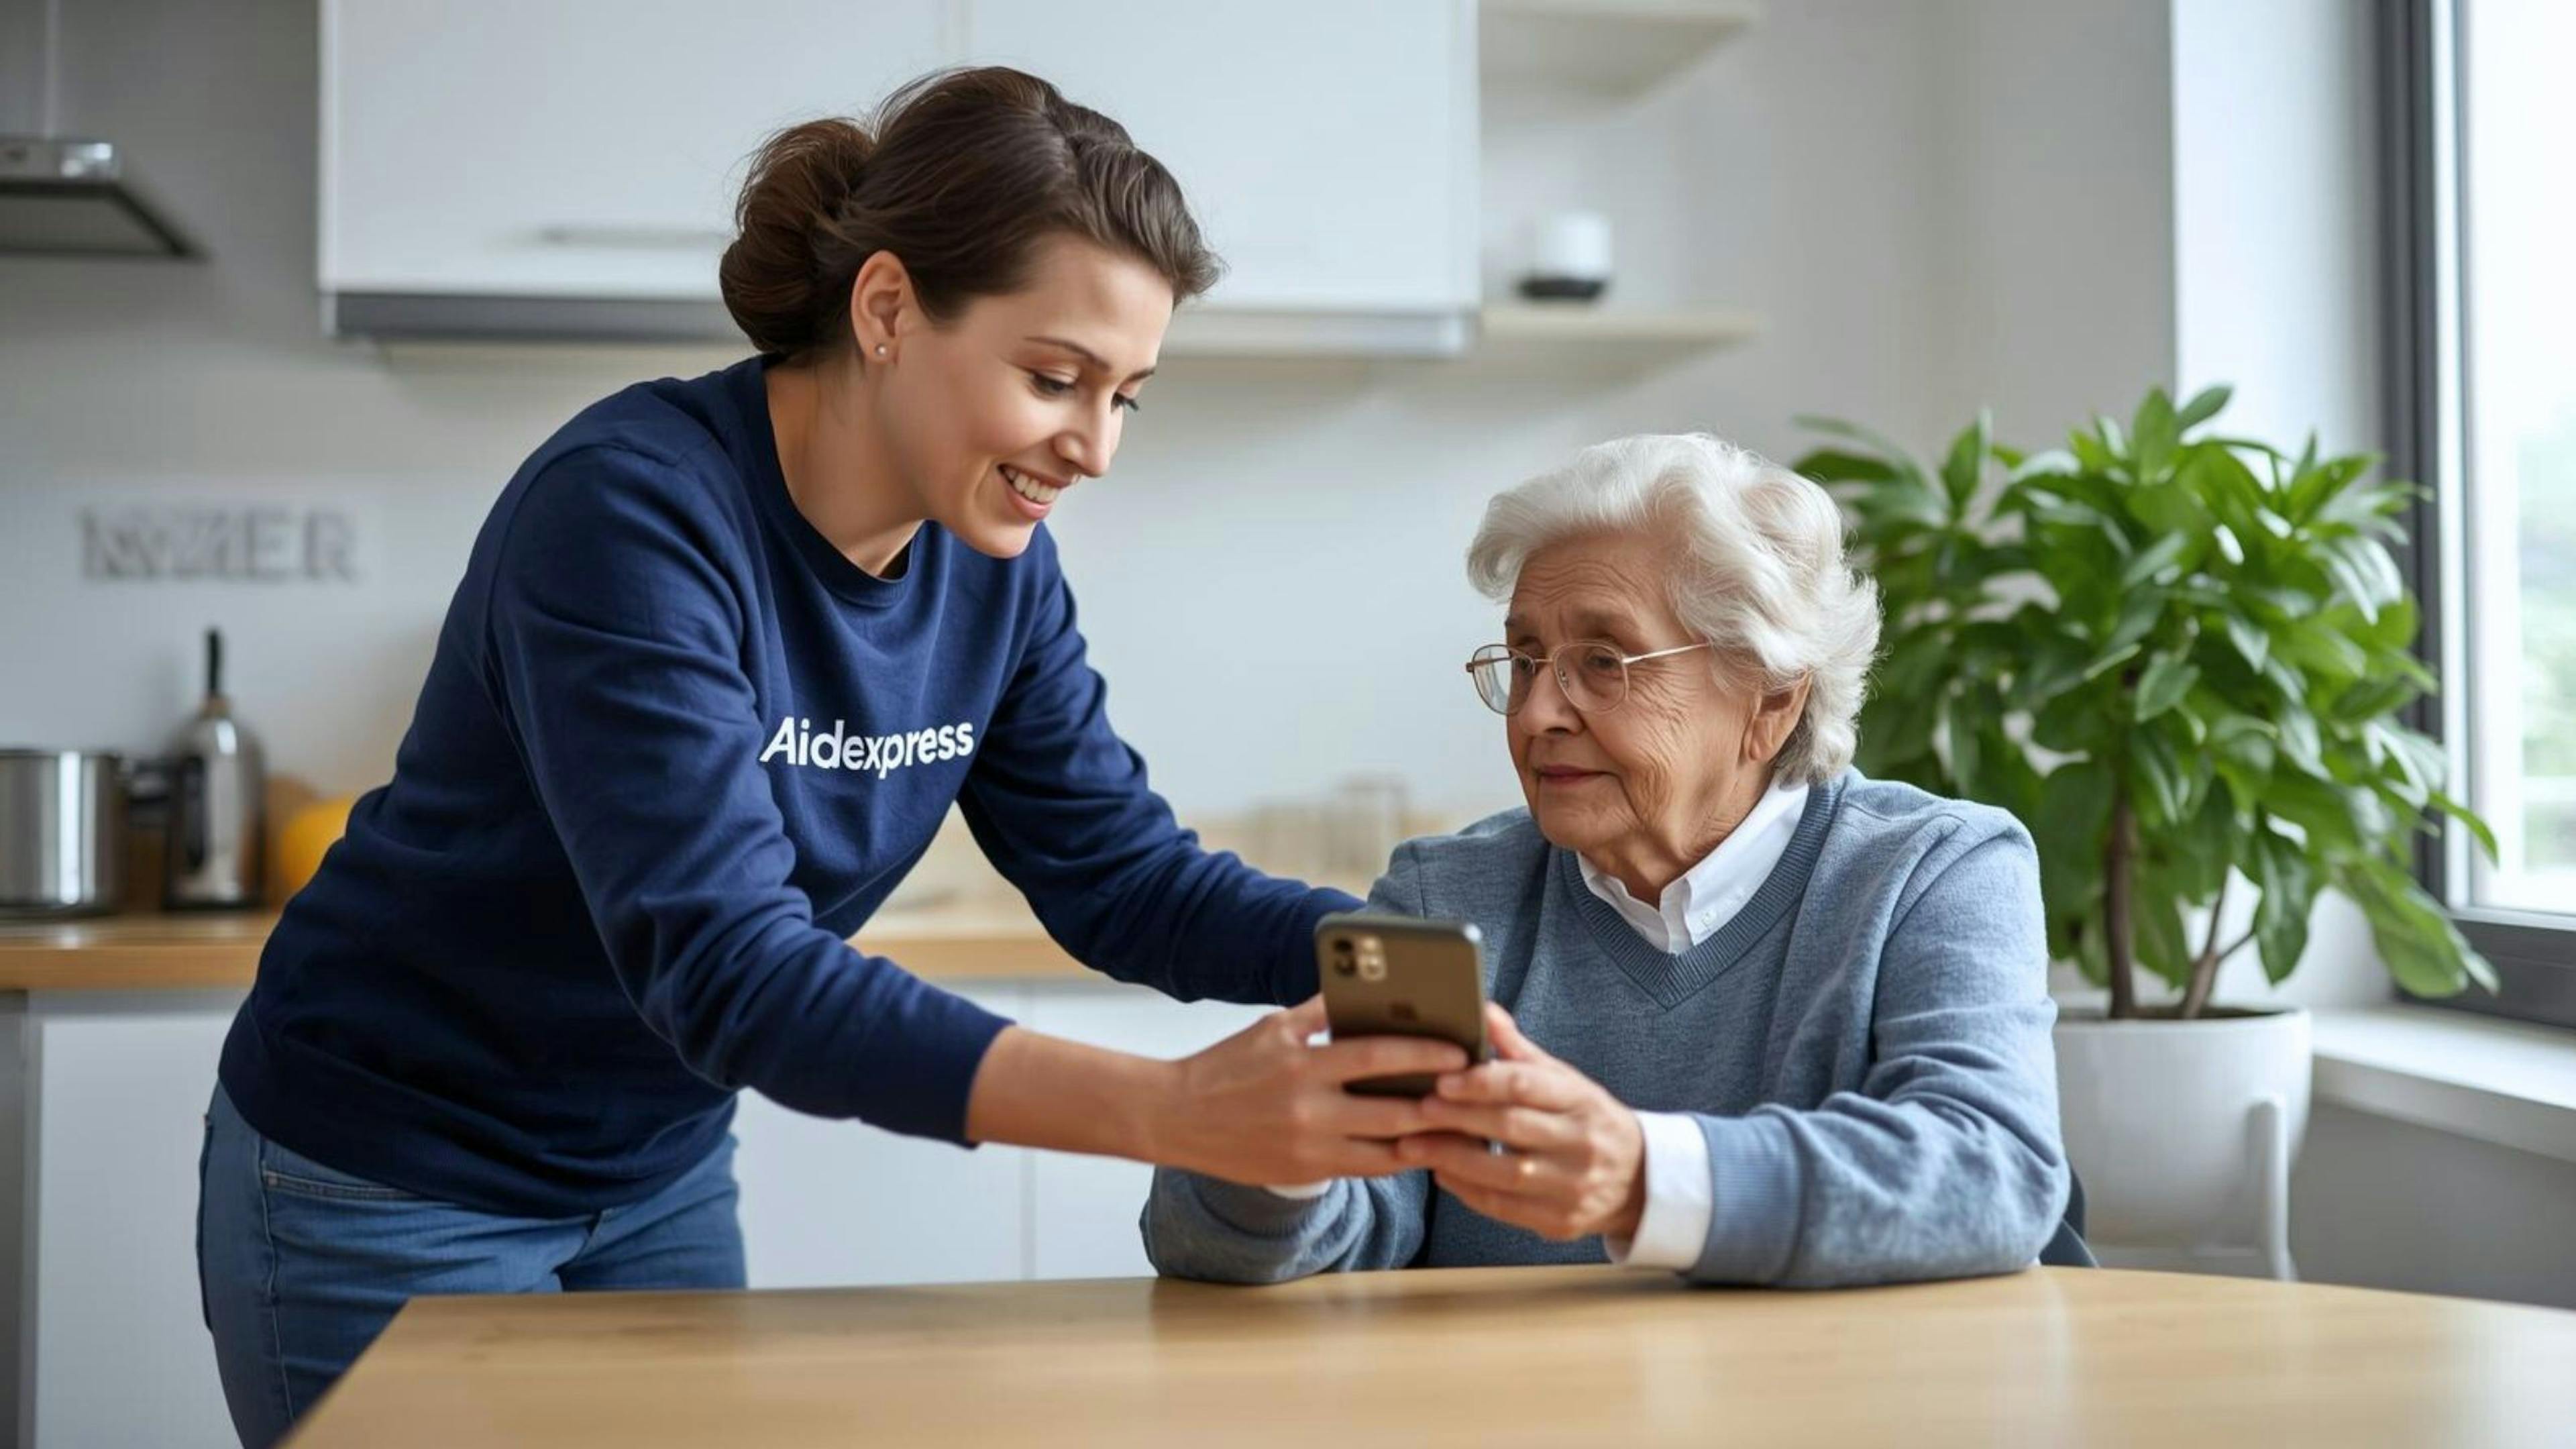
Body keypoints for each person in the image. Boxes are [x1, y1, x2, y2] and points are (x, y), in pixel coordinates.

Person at [197, 66, 1464, 1446]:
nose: (1094, 447)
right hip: (391, 1175)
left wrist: (1412, 958)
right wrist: (1174, 1112)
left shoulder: (994, 566)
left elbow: (1117, 875)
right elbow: (732, 969)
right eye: (1055, 378)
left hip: (659, 1174)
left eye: (1127, 399)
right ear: (884, 311)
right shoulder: (631, 511)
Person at [1144, 433, 2072, 1289]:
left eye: (1604, 660)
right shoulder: (1446, 897)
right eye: (1525, 657)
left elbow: (1994, 1169)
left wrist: (1643, 1178)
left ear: (1770, 702)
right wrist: (1271, 1168)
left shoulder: (1935, 872)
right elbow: (1332, 1223)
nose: (1539, 710)